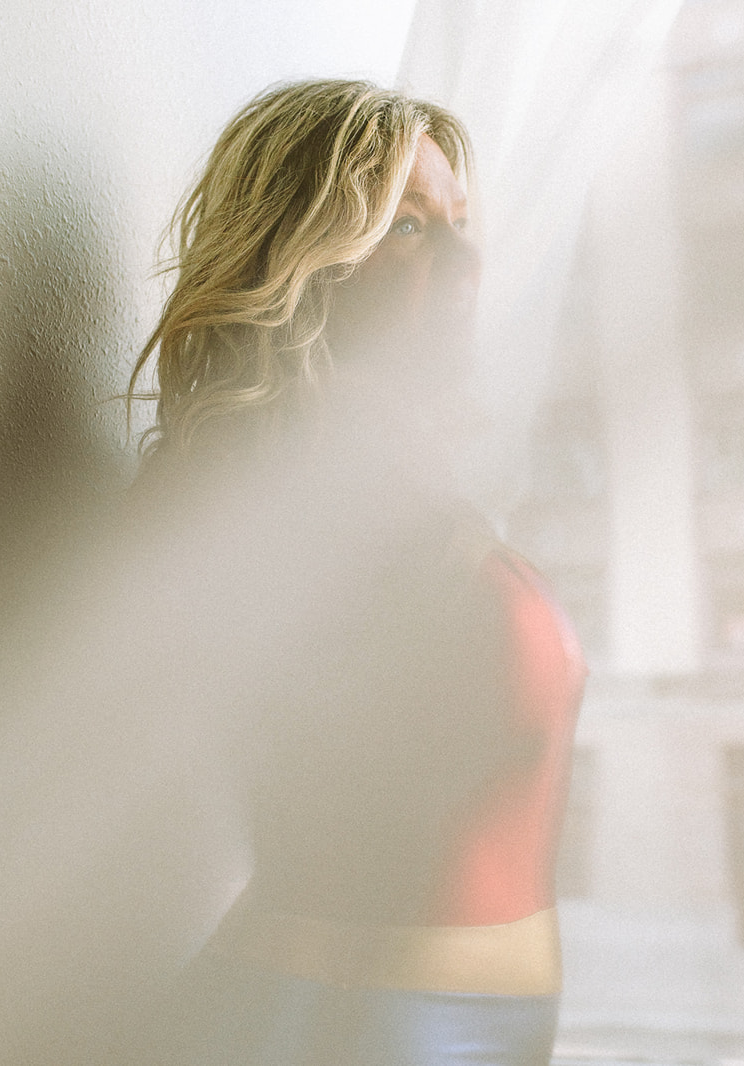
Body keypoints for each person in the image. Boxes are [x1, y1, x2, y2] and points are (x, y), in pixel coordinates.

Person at [126, 79, 586, 1066]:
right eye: (408, 228)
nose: (465, 260)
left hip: (430, 1028)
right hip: (342, 1028)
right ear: (307, 266)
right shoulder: (281, 502)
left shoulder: (403, 481)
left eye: (459, 222)